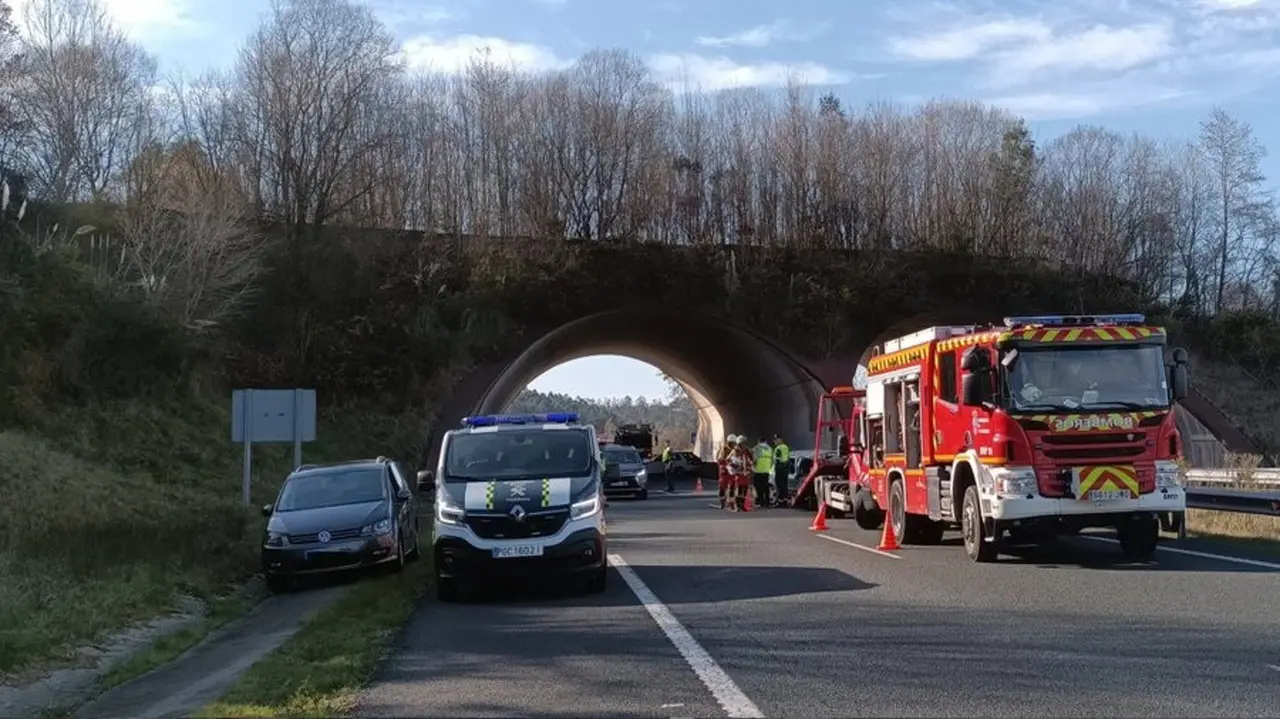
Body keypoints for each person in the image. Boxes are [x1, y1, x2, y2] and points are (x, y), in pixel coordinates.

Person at [751, 435, 773, 510]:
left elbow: (754, 459)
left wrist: (752, 467)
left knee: (758, 487)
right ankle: (767, 502)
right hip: (767, 470)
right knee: (766, 486)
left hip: (758, 470)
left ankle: (761, 502)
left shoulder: (757, 448)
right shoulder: (770, 448)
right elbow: (772, 459)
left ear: (758, 441)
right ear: (766, 441)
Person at [731, 436, 753, 511]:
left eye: (744, 442)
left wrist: (751, 465)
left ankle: (742, 504)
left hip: (745, 473)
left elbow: (751, 459)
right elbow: (729, 461)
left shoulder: (747, 450)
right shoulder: (735, 451)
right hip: (738, 473)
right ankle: (738, 505)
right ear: (739, 443)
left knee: (745, 489)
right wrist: (735, 466)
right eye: (742, 443)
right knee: (739, 489)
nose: (744, 444)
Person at [716, 435, 736, 510]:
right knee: (722, 488)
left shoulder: (735, 450)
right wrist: (725, 464)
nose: (734, 444)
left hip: (731, 472)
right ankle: (722, 503)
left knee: (732, 488)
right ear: (729, 442)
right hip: (724, 472)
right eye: (733, 442)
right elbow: (719, 460)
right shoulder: (723, 449)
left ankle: (731, 504)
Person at [772, 433, 791, 505]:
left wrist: (776, 468)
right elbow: (787, 458)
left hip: (779, 469)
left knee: (779, 485)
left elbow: (777, 460)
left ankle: (779, 502)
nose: (775, 441)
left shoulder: (778, 448)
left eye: (776, 439)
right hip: (785, 469)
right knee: (784, 485)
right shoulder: (786, 447)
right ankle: (784, 501)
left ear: (780, 440)